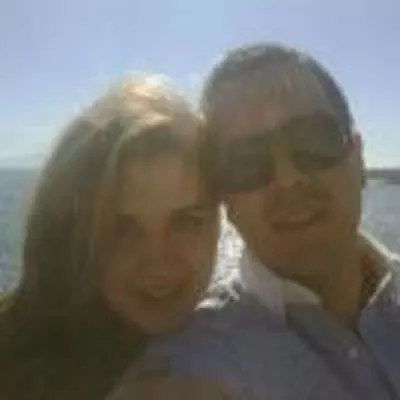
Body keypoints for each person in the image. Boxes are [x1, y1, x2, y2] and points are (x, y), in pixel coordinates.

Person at [110, 44, 400, 400]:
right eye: (247, 162)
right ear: (227, 203)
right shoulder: (199, 359)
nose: (288, 180)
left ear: (358, 156)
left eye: (312, 140)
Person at [0, 74, 220, 399]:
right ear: (72, 233)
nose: (158, 264)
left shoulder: (249, 332)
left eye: (186, 221)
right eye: (122, 229)